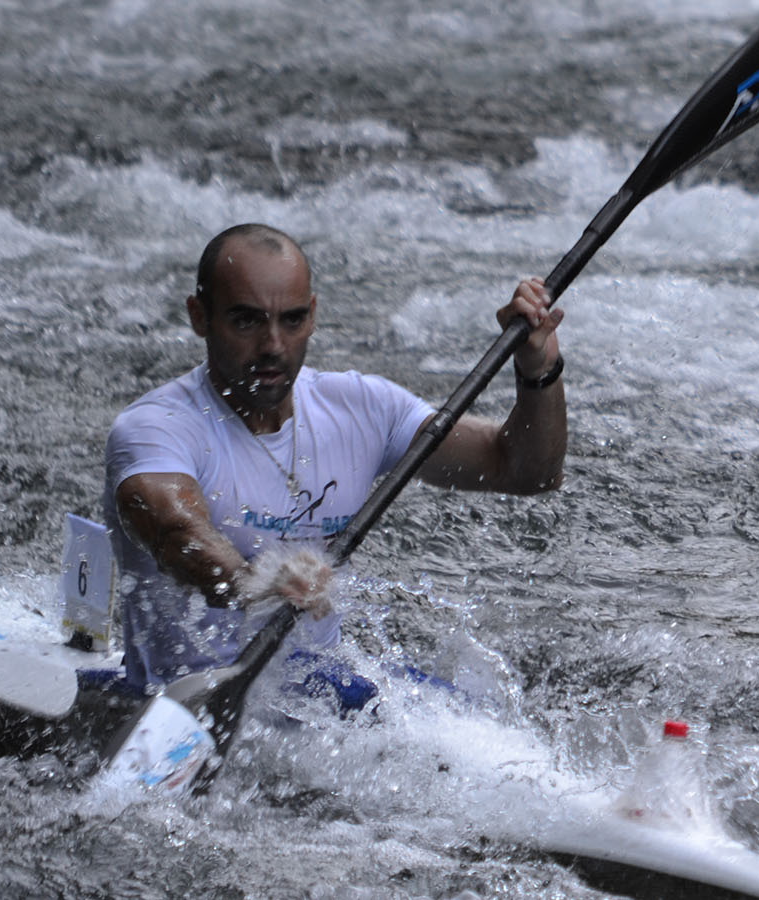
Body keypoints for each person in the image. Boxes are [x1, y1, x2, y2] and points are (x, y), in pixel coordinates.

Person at [104, 223, 565, 703]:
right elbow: (176, 533)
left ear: (314, 314)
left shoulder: (359, 408)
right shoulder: (156, 428)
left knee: (479, 723)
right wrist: (256, 583)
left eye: (292, 320)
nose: (274, 346)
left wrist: (539, 372)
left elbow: (527, 471)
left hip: (320, 701)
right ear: (199, 317)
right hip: (185, 700)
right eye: (247, 321)